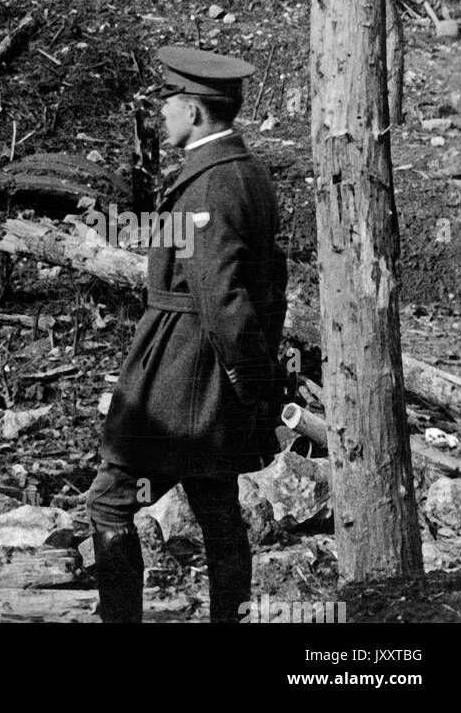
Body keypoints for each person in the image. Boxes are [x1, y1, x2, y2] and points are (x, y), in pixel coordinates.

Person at [86, 45, 288, 623]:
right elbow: (270, 282)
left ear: (194, 111)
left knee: (109, 498)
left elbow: (221, 294)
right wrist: (256, 375)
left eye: (167, 104)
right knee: (215, 500)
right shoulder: (245, 174)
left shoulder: (209, 187)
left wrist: (250, 381)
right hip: (207, 365)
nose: (161, 115)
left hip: (182, 364)